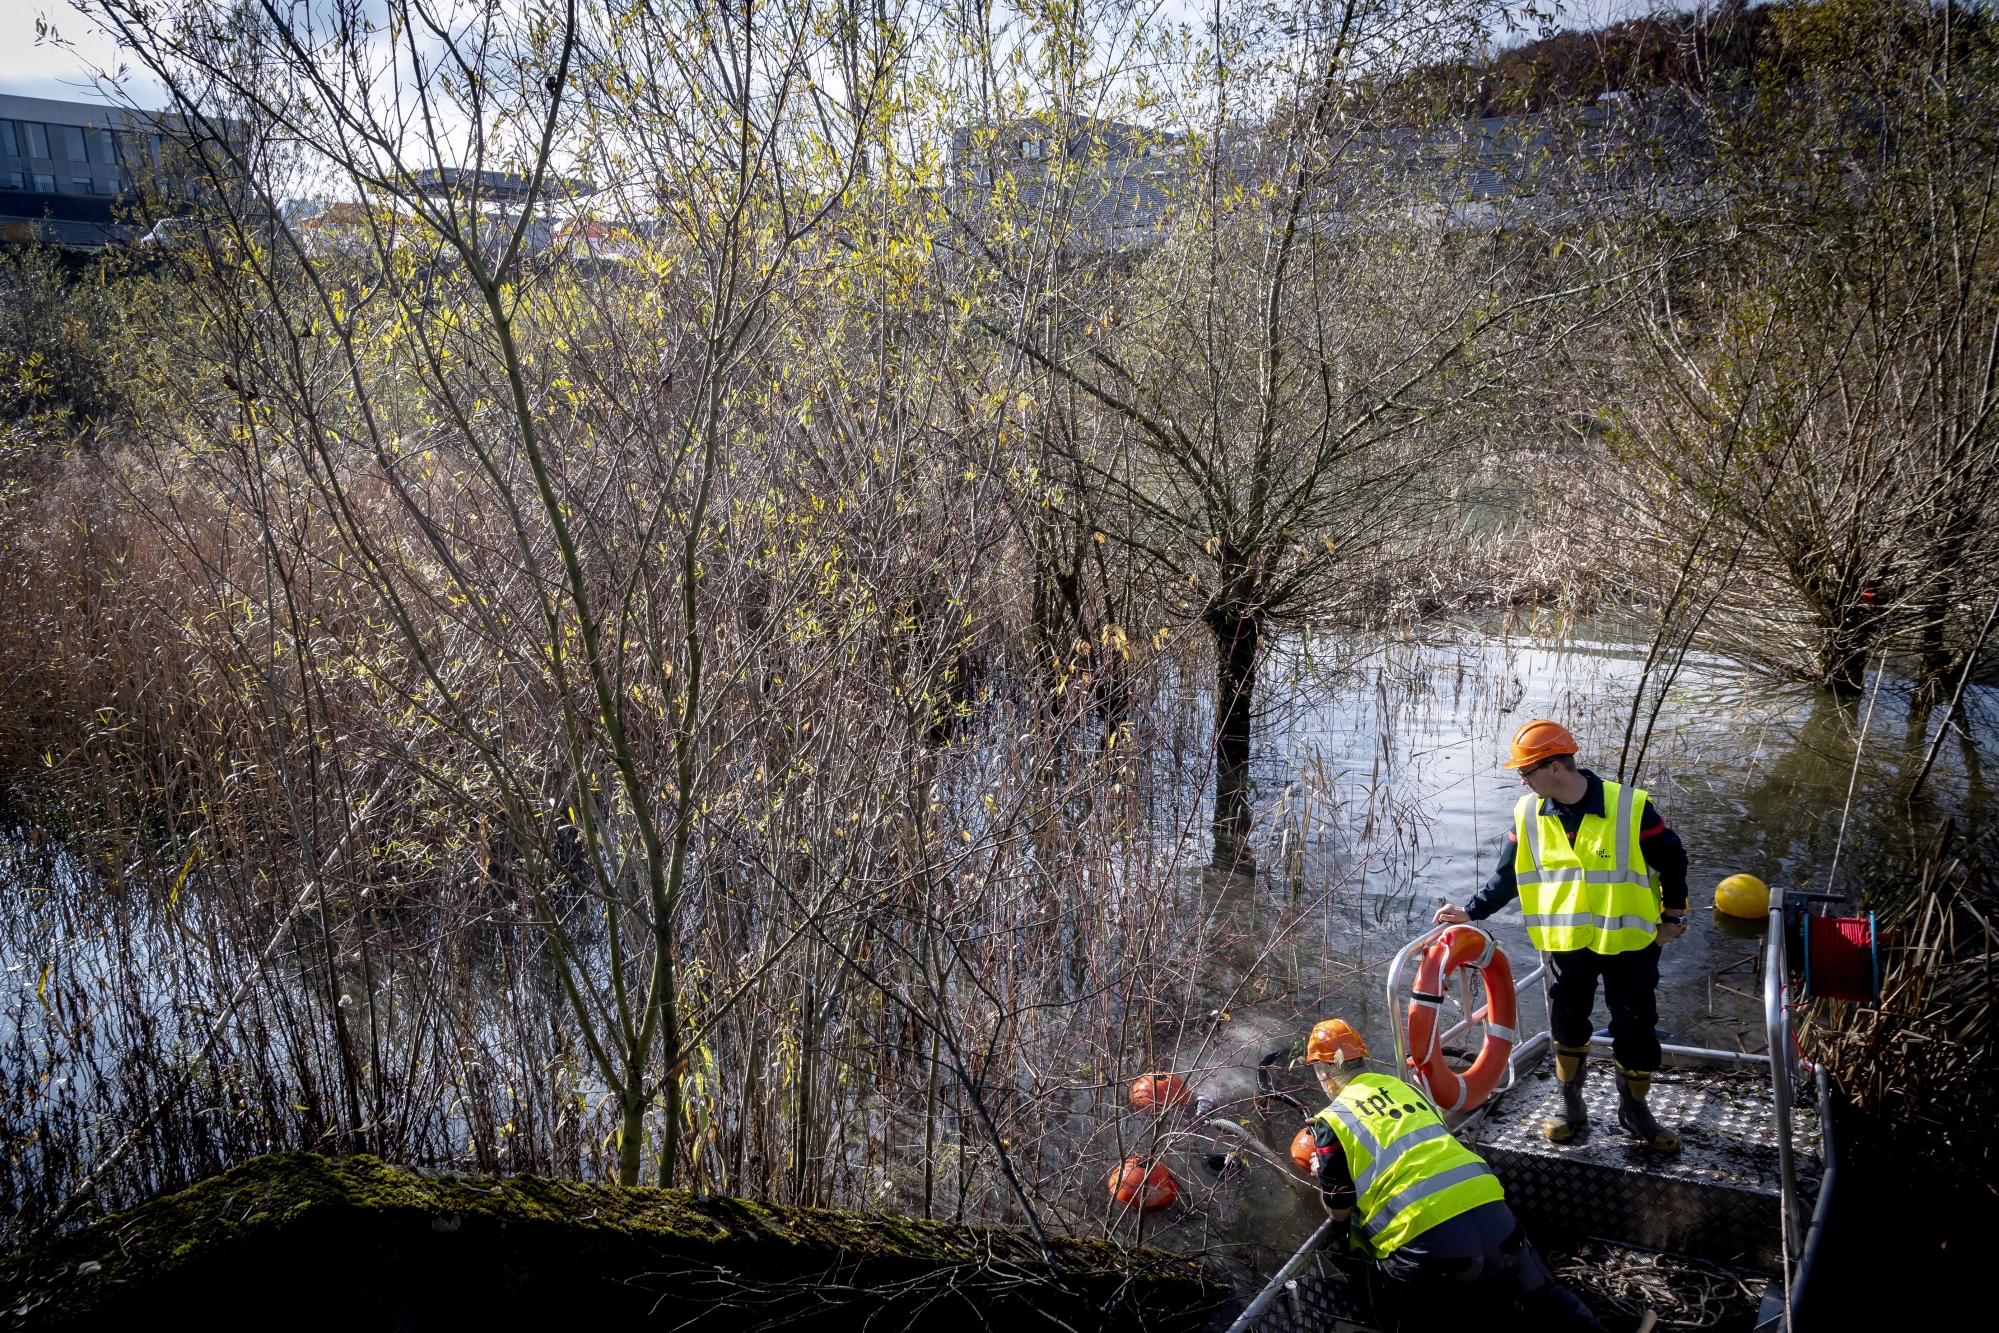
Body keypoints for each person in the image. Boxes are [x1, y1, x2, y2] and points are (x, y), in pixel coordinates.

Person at [1432, 719, 1689, 1150]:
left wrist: (1673, 919)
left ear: (1554, 766)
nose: (1522, 779)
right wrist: (1471, 911)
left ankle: (1636, 1111)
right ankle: (1570, 1105)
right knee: (1567, 1026)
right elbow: (1509, 877)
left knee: (1637, 1029)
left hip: (1631, 944)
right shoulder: (1528, 813)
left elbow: (1673, 858)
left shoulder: (1629, 807)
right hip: (1567, 946)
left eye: (1526, 770)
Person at [1301, 1019, 1605, 1332]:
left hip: (1429, 1251)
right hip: (1496, 1220)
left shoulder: (1331, 1120)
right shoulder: (1406, 1088)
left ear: (1323, 1073)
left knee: (1407, 1314)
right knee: (1544, 1296)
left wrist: (1325, 1174)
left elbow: (1340, 1211)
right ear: (1362, 1058)